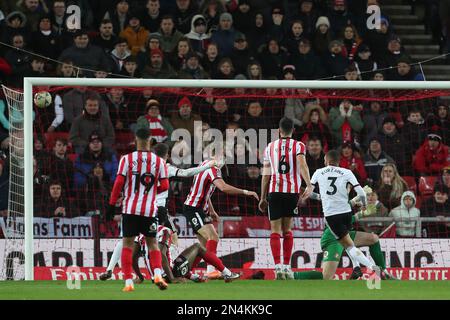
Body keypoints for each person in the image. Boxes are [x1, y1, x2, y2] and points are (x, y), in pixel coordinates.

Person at [106, 123, 169, 292]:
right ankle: (157, 274)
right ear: (150, 140)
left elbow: (118, 183)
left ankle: (128, 283)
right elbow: (165, 186)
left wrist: (111, 206)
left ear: (136, 139)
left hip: (130, 209)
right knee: (152, 244)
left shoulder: (126, 159)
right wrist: (150, 192)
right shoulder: (159, 162)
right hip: (149, 210)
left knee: (127, 244)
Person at [183, 146, 258, 280]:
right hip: (193, 209)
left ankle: (187, 272)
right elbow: (223, 188)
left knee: (203, 246)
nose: (224, 159)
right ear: (215, 155)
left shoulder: (203, 165)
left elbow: (206, 191)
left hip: (201, 210)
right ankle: (212, 271)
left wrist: (211, 210)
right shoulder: (213, 169)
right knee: (213, 237)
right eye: (223, 156)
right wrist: (246, 192)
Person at [295, 186, 394, 280]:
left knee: (373, 238)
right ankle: (293, 275)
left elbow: (348, 204)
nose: (348, 189)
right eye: (347, 187)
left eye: (349, 187)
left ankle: (383, 272)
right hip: (332, 237)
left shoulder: (342, 199)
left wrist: (359, 199)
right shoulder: (334, 199)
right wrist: (360, 209)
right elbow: (343, 219)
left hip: (344, 234)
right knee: (326, 276)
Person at [309, 150, 380, 279]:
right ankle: (357, 267)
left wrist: (359, 207)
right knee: (348, 245)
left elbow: (310, 193)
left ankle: (373, 268)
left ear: (327, 161)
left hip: (333, 221)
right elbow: (355, 198)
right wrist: (363, 207)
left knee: (349, 245)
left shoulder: (320, 173)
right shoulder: (346, 173)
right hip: (340, 222)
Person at [258, 117, 313, 279]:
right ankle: (287, 267)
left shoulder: (270, 147)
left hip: (274, 192)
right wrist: (309, 185)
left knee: (275, 231)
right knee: (287, 230)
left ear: (278, 131)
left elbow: (265, 174)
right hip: (291, 194)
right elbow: (302, 165)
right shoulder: (299, 145)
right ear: (293, 130)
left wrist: (262, 197)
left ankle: (277, 267)